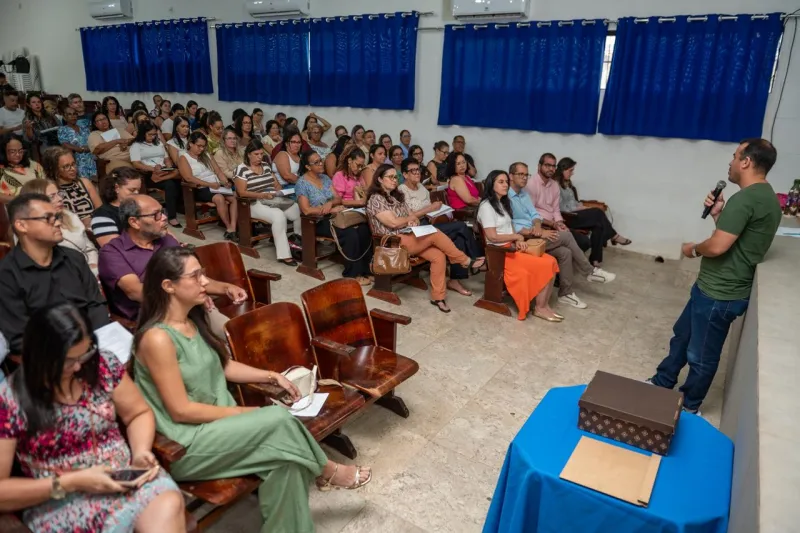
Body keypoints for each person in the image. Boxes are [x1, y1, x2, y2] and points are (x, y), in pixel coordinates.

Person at [132, 246, 371, 533]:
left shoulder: (192, 321)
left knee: (286, 464)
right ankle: (329, 471)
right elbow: (180, 410)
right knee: (278, 419)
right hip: (191, 445)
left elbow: (222, 366)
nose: (206, 283)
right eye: (195, 277)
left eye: (203, 274)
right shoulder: (157, 338)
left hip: (224, 431)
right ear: (168, 286)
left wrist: (272, 376)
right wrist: (243, 414)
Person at [0, 304, 186, 532]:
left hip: (122, 479)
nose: (79, 366)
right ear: (41, 356)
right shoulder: (11, 399)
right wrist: (73, 482)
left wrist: (140, 452)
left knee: (168, 502)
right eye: (69, 361)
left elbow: (138, 413)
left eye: (85, 353)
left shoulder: (101, 365)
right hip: (61, 499)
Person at [647, 138, 782, 414]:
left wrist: (693, 249)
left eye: (734, 157)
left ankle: (688, 406)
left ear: (746, 162)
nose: (730, 163)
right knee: (682, 337)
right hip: (711, 287)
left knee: (701, 355)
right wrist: (719, 214)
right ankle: (661, 382)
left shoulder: (745, 199)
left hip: (721, 294)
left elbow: (719, 246)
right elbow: (735, 238)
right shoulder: (767, 197)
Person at [98, 194, 248, 325]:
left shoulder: (167, 240)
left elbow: (193, 278)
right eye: (156, 215)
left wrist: (226, 288)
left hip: (187, 309)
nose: (164, 218)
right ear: (134, 222)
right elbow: (136, 291)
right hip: (150, 320)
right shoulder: (112, 252)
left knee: (235, 334)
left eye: (163, 212)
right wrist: (189, 296)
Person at [367, 164, 485, 313]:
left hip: (409, 235)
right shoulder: (376, 199)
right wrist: (409, 218)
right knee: (434, 233)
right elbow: (393, 222)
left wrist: (412, 220)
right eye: (390, 177)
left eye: (395, 177)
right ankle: (464, 260)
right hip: (393, 242)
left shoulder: (397, 196)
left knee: (438, 255)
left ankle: (438, 297)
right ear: (379, 179)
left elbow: (412, 216)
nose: (394, 180)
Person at [0, 193, 109, 353]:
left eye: (57, 217)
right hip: (49, 358)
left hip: (94, 344)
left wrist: (95, 342)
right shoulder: (7, 274)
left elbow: (96, 304)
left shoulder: (74, 258)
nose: (58, 223)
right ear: (22, 225)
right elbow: (19, 337)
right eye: (48, 218)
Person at [510, 160, 615, 310]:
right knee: (565, 236)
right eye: (520, 174)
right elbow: (512, 225)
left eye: (526, 174)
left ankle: (566, 293)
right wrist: (538, 231)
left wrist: (539, 226)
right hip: (524, 239)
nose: (524, 178)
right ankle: (589, 271)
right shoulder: (506, 197)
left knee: (565, 252)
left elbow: (535, 215)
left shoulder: (523, 194)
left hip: (536, 233)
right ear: (511, 176)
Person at [477, 171, 561, 321]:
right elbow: (492, 237)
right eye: (500, 182)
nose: (505, 185)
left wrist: (518, 240)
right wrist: (516, 237)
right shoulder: (486, 206)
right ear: (491, 185)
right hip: (501, 254)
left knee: (552, 260)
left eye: (506, 182)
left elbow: (510, 227)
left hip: (511, 248)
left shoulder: (502, 203)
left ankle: (544, 306)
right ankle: (540, 308)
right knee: (546, 263)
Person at [399, 157, 482, 296]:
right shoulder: (401, 190)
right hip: (417, 230)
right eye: (412, 171)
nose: (417, 173)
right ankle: (477, 259)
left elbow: (429, 211)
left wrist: (438, 210)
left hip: (429, 223)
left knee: (459, 238)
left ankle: (455, 280)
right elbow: (410, 216)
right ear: (405, 174)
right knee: (461, 227)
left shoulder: (422, 188)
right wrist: (430, 208)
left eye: (418, 169)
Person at [296, 150, 373, 284]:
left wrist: (331, 203)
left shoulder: (325, 178)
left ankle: (366, 270)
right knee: (350, 234)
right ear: (308, 167)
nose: (321, 164)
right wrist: (327, 210)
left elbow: (338, 198)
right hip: (317, 221)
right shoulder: (302, 183)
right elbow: (306, 210)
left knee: (364, 229)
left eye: (321, 160)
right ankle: (352, 274)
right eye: (317, 162)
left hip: (335, 216)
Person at [234, 139, 301, 266]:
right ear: (248, 154)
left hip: (271, 198)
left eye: (261, 154)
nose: (260, 157)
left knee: (296, 209)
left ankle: (296, 244)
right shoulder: (241, 169)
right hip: (253, 202)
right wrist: (262, 195)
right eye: (256, 154)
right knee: (278, 216)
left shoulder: (265, 165)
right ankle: (284, 254)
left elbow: (275, 183)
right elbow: (242, 192)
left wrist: (280, 192)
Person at [555, 157, 631, 266]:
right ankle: (614, 236)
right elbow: (563, 207)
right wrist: (580, 208)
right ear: (563, 169)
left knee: (598, 225)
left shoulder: (567, 184)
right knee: (598, 212)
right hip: (567, 217)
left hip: (575, 213)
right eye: (570, 170)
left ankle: (595, 260)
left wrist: (584, 207)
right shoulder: (556, 186)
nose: (572, 173)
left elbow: (574, 202)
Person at [20, 179, 99, 275]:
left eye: (59, 194)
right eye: (52, 196)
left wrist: (93, 264)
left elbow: (89, 247)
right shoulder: (28, 229)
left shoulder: (70, 215)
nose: (60, 199)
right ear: (36, 201)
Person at [178, 131, 238, 241]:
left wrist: (225, 181)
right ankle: (229, 227)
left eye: (203, 146)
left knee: (234, 197)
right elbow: (188, 178)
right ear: (191, 144)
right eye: (199, 146)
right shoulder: (184, 158)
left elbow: (218, 171)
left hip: (216, 185)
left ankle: (233, 227)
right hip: (200, 187)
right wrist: (210, 184)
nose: (201, 149)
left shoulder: (206, 155)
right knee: (219, 198)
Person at [130, 122, 181, 227]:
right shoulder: (136, 145)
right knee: (170, 184)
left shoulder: (158, 143)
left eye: (154, 134)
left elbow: (166, 159)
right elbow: (136, 163)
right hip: (148, 174)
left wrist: (168, 167)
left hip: (163, 170)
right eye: (150, 134)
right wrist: (152, 168)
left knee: (181, 179)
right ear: (143, 133)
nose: (152, 137)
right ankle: (172, 217)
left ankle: (180, 207)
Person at [45, 146, 101, 228]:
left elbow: (100, 209)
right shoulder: (51, 190)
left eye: (73, 164)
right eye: (66, 166)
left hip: (95, 225)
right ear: (55, 169)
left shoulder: (85, 182)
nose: (73, 169)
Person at [91, 166, 142, 246]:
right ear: (117, 188)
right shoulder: (102, 214)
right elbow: (113, 249)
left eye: (138, 190)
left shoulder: (141, 207)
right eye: (132, 190)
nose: (136, 193)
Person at [0, 134, 44, 201]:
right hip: (15, 206)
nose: (17, 154)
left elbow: (46, 183)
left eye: (20, 151)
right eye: (12, 151)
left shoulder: (34, 165)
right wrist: (22, 200)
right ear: (3, 152)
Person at [58, 106, 96, 181]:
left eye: (74, 114)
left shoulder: (84, 128)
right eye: (69, 114)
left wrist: (90, 147)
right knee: (84, 182)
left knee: (95, 180)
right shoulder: (62, 129)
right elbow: (64, 144)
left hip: (90, 156)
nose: (73, 116)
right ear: (65, 117)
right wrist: (78, 148)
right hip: (76, 157)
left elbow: (91, 139)